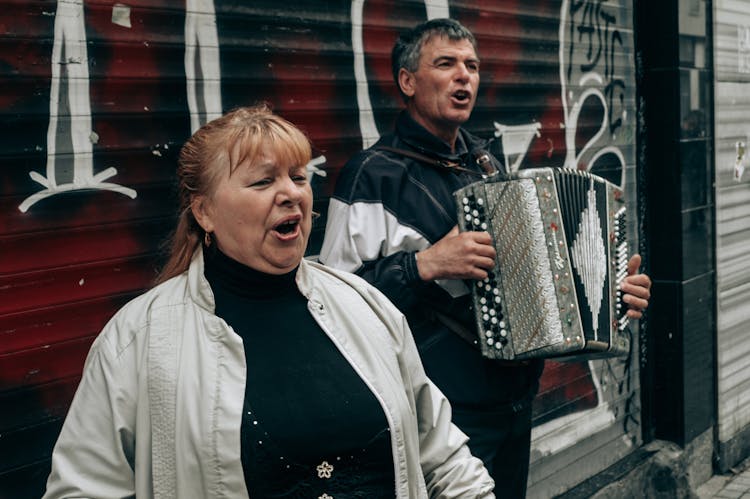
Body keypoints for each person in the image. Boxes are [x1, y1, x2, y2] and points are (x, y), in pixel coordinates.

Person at [42, 104, 495, 499]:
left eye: (299, 177)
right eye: (262, 181)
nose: (292, 193)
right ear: (204, 212)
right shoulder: (137, 341)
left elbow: (442, 454)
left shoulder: (365, 307)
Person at [319, 18, 652, 498]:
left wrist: (605, 295)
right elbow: (336, 307)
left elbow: (531, 286)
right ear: (407, 81)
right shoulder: (373, 177)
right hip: (441, 415)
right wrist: (425, 265)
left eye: (472, 66)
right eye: (446, 64)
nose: (464, 76)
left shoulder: (486, 164)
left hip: (513, 403)